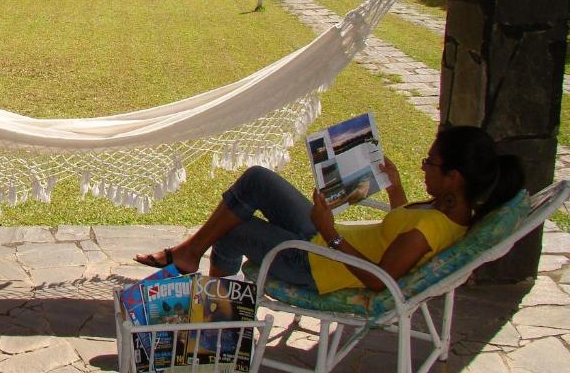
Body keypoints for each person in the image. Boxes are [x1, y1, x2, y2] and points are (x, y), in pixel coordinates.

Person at [134, 126, 524, 293]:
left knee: (234, 229)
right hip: (323, 240)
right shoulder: (446, 210)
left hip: (317, 263)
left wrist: (332, 233)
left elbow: (380, 279)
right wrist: (397, 187)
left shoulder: (431, 228)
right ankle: (189, 254)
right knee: (257, 178)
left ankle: (219, 311)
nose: (425, 166)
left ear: (455, 176)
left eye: (430, 163)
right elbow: (402, 228)